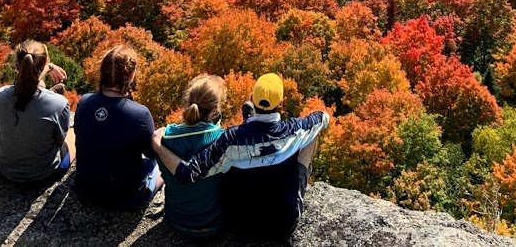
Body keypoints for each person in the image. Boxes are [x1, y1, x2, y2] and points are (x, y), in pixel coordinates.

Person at [153, 73, 329, 241]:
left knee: (236, 158)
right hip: (284, 225)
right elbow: (323, 117)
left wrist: (158, 145)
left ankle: (249, 123)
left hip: (241, 221)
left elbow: (188, 173)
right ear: (281, 104)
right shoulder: (295, 128)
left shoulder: (230, 139)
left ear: (252, 98)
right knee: (312, 134)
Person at [72, 44, 160, 209]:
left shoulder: (84, 102)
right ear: (131, 75)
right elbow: (151, 153)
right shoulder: (140, 114)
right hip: (123, 197)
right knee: (160, 165)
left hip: (84, 189)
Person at [0, 40, 74, 183]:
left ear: (16, 65)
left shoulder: (0, 96)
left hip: (5, 168)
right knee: (74, 133)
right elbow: (60, 141)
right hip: (43, 173)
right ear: (45, 65)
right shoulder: (59, 104)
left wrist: (49, 66)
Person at [156, 74, 227, 240]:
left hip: (176, 220)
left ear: (187, 102)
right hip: (214, 223)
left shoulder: (164, 138)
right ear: (216, 109)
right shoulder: (224, 140)